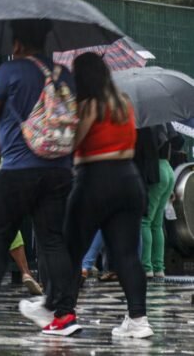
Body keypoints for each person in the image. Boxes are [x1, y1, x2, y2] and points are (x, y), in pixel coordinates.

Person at [0, 20, 79, 335]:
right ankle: (64, 314)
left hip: (19, 168)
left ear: (18, 44)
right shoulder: (64, 74)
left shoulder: (10, 71)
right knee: (52, 240)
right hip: (59, 169)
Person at [59, 52, 152, 338]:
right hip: (129, 179)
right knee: (126, 254)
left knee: (71, 249)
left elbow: (73, 142)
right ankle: (138, 319)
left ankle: (63, 314)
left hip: (95, 179)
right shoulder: (122, 101)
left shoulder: (89, 105)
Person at [141, 125, 176, 279]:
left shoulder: (149, 124)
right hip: (168, 169)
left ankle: (146, 267)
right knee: (157, 223)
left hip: (156, 170)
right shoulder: (165, 121)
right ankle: (159, 267)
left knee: (145, 221)